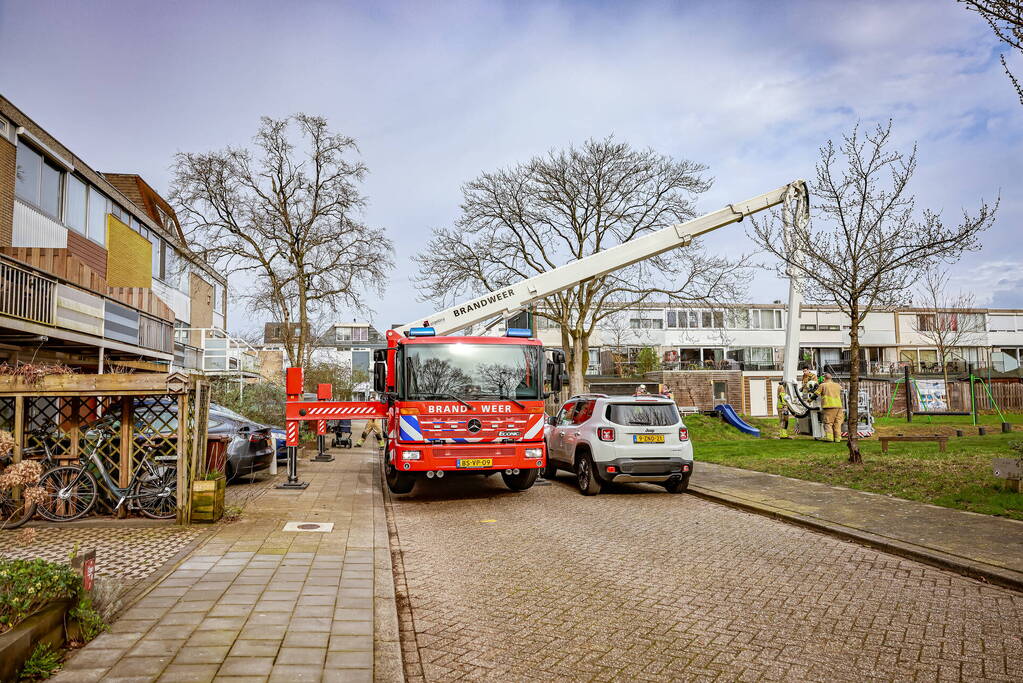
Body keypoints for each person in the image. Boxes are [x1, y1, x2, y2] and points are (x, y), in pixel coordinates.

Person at [818, 372, 843, 442]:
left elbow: (816, 394)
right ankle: (837, 438)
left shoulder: (823, 385)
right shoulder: (837, 385)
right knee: (837, 423)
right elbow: (842, 391)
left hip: (829, 406)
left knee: (828, 423)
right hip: (839, 406)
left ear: (824, 378)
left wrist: (809, 400)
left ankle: (829, 438)